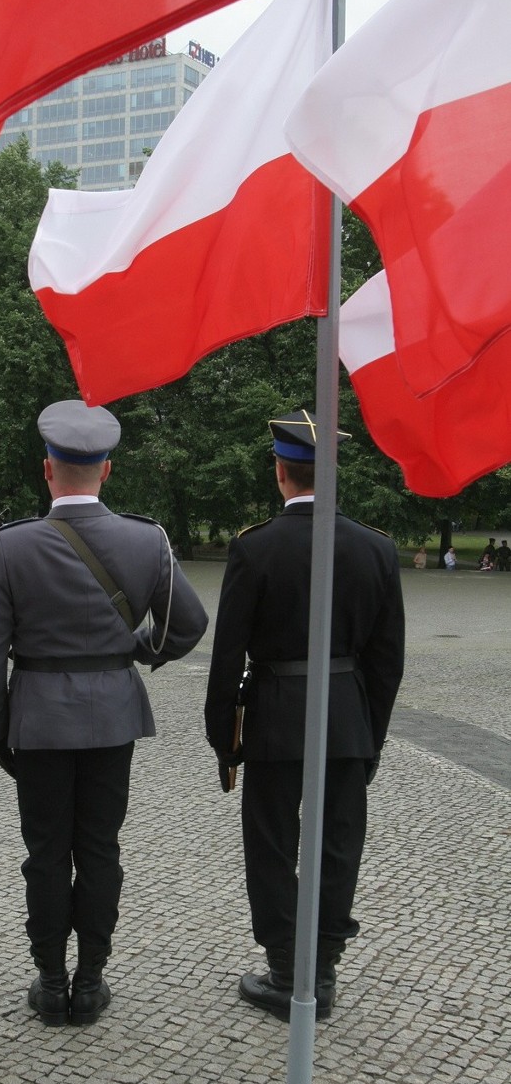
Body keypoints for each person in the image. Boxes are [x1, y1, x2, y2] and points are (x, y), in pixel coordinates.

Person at [0, 400, 208, 1027]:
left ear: (47, 468)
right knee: (101, 848)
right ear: (106, 471)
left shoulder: (13, 547)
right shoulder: (145, 539)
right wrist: (134, 651)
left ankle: (51, 982)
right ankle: (92, 977)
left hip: (40, 722)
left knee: (47, 852)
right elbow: (188, 624)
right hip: (112, 717)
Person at [204, 410, 405, 1022]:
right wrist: (369, 737)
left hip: (273, 719)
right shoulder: (377, 549)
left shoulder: (253, 547)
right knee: (339, 844)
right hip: (347, 720)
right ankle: (324, 967)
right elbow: (387, 660)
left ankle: (287, 969)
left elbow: (227, 656)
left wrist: (224, 740)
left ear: (280, 472)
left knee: (270, 844)